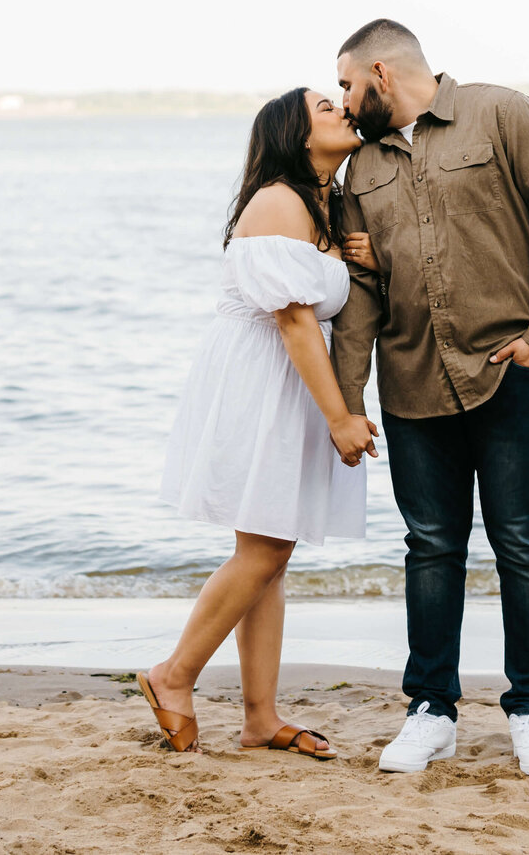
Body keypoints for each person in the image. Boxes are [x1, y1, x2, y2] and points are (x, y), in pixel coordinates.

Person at [332, 20, 529, 777]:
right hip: (413, 383)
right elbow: (360, 294)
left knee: (523, 544)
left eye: (349, 85)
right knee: (431, 550)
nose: (347, 104)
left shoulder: (502, 114)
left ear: (381, 72)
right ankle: (430, 711)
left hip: (516, 373)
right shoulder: (363, 171)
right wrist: (348, 400)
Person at [143, 88, 378, 759]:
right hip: (260, 383)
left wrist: (365, 259)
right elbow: (295, 318)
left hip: (288, 384)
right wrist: (340, 417)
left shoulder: (320, 206)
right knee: (265, 551)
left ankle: (259, 718)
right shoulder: (278, 200)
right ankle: (173, 675)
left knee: (273, 556)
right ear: (296, 136)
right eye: (327, 107)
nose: (342, 110)